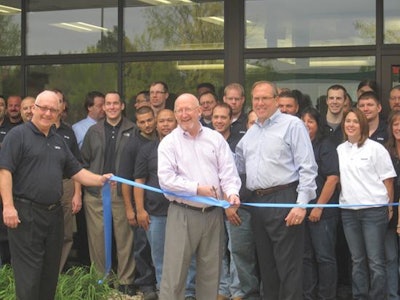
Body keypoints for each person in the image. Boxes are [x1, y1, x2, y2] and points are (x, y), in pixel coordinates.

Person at [0, 90, 112, 300]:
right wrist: (8, 206)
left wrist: (100, 179)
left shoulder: (58, 140)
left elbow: (76, 171)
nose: (48, 113)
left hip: (54, 215)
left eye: (53, 109)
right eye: (44, 108)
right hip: (25, 215)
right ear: (34, 109)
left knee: (50, 274)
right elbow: (4, 171)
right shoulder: (18, 136)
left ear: (59, 113)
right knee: (29, 276)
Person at [235, 81, 317, 300]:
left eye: (265, 98)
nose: (260, 103)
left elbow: (308, 168)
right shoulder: (250, 135)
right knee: (267, 268)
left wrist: (301, 205)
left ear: (276, 100)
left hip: (285, 200)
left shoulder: (292, 125)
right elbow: (237, 169)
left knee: (288, 269)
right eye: (256, 99)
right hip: (258, 204)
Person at [158, 93, 241, 300]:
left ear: (199, 111)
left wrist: (232, 194)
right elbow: (166, 180)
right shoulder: (169, 143)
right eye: (179, 110)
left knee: (210, 275)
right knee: (174, 275)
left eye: (188, 110)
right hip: (182, 213)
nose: (184, 115)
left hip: (213, 215)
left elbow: (229, 173)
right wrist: (197, 189)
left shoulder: (215, 139)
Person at [81, 91, 136, 295]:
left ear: (122, 106)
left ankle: (126, 280)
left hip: (122, 193)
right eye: (108, 104)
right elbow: (82, 162)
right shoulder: (93, 131)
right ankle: (101, 280)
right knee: (97, 239)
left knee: (125, 238)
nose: (111, 107)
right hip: (95, 193)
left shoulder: (133, 129)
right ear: (103, 108)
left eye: (115, 103)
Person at [337, 108, 396, 300]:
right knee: (357, 259)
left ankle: (378, 296)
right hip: (348, 212)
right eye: (348, 121)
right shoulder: (340, 149)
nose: (350, 125)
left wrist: (388, 207)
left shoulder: (376, 149)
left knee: (376, 260)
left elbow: (388, 180)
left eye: (355, 121)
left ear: (362, 124)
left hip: (373, 212)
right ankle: (360, 296)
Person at [212, 103, 260, 300]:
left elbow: (241, 178)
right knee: (217, 250)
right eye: (216, 117)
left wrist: (230, 204)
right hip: (212, 205)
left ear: (231, 119)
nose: (219, 121)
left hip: (237, 205)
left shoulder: (240, 143)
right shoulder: (206, 140)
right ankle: (223, 289)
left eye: (223, 117)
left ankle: (238, 291)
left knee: (238, 250)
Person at [133, 109, 177, 293]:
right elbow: (139, 181)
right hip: (155, 214)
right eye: (162, 121)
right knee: (159, 258)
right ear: (157, 125)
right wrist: (140, 210)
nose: (165, 124)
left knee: (183, 257)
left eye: (169, 120)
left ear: (176, 122)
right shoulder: (147, 150)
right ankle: (163, 293)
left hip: (181, 211)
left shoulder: (185, 147)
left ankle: (187, 294)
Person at [119, 105, 158, 300]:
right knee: (142, 246)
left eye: (150, 120)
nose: (147, 125)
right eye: (142, 122)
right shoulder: (132, 145)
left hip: (160, 205)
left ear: (155, 118)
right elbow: (125, 180)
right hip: (140, 205)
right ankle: (146, 283)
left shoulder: (163, 140)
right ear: (137, 124)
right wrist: (130, 209)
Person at [301, 107, 340, 300]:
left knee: (324, 257)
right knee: (306, 257)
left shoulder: (325, 145)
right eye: (303, 121)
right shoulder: (297, 145)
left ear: (318, 125)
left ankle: (326, 296)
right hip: (302, 210)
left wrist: (318, 207)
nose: (306, 125)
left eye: (311, 121)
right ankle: (309, 296)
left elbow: (332, 178)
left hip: (322, 212)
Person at [53, 96, 83, 272]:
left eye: (59, 102)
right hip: (43, 186)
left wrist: (77, 193)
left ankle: (59, 273)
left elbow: (77, 166)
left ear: (63, 106)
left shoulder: (68, 132)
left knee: (65, 233)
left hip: (66, 185)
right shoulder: (37, 130)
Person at [384, 111, 400, 300]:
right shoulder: (385, 151)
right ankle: (392, 295)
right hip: (389, 211)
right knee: (390, 257)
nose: (398, 128)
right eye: (395, 124)